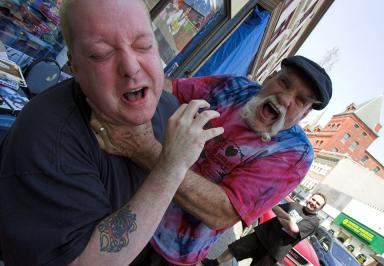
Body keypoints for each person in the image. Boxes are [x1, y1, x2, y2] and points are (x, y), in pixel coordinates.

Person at [0, 0, 224, 265]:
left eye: (143, 45)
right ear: (75, 67)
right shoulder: (46, 140)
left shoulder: (169, 110)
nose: (130, 67)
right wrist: (169, 168)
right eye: (101, 53)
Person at [93, 56, 333, 265]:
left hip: (165, 250)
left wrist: (144, 150)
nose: (284, 99)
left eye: (301, 100)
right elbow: (170, 91)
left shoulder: (294, 153)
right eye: (284, 82)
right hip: (122, 202)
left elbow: (222, 211)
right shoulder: (235, 87)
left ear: (304, 114)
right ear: (270, 77)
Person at [202, 192, 327, 266]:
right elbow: (275, 208)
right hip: (262, 234)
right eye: (313, 199)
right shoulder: (294, 205)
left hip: (274, 250)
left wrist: (284, 219)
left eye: (317, 204)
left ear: (320, 208)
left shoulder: (314, 222)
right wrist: (288, 219)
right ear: (310, 197)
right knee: (235, 248)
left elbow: (294, 229)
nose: (313, 203)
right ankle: (214, 263)